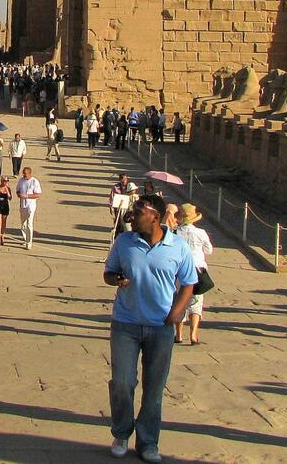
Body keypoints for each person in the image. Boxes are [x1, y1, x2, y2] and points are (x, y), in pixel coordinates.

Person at [103, 193, 197, 463]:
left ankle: (148, 442)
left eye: (138, 211)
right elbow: (108, 272)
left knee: (154, 389)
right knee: (122, 382)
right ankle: (121, 432)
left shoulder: (177, 246)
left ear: (155, 216)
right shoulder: (124, 241)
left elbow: (189, 283)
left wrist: (176, 314)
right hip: (125, 324)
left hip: (160, 327)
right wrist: (116, 279)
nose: (132, 216)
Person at [173, 203, 213, 345]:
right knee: (196, 302)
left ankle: (178, 335)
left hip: (181, 270)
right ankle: (194, 335)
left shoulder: (175, 233)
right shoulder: (201, 233)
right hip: (198, 270)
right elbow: (209, 250)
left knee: (180, 300)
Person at [15, 166, 42, 249]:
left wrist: (27, 196)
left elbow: (38, 194)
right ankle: (25, 238)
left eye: (25, 174)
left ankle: (29, 242)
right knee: (23, 223)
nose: (24, 175)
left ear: (30, 174)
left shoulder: (35, 181)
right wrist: (19, 194)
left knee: (29, 223)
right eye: (23, 173)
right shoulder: (21, 181)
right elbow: (17, 190)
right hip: (22, 204)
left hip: (31, 205)